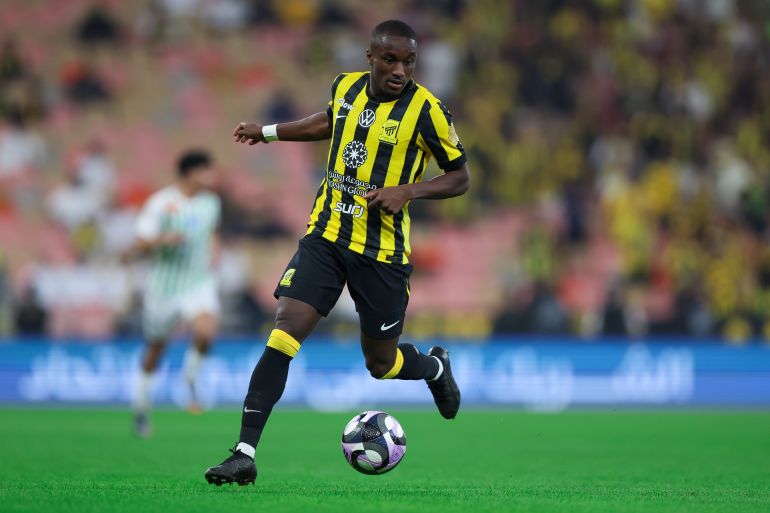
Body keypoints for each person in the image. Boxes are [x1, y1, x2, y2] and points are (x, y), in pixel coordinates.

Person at [204, 19, 470, 485]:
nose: (400, 70)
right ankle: (244, 453)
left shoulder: (428, 110)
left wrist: (407, 191)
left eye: (409, 62)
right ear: (370, 57)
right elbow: (330, 121)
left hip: (381, 253)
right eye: (390, 60)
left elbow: (460, 176)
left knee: (381, 364)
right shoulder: (345, 86)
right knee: (286, 330)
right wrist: (267, 132)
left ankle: (433, 366)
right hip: (326, 235)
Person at [128, 149, 221, 437]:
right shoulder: (161, 203)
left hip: (197, 282)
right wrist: (162, 239)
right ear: (190, 173)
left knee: (206, 330)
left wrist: (213, 249)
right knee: (156, 347)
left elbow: (209, 233)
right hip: (163, 288)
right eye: (205, 171)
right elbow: (140, 242)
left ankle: (189, 378)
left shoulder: (211, 203)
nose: (210, 177)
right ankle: (141, 407)